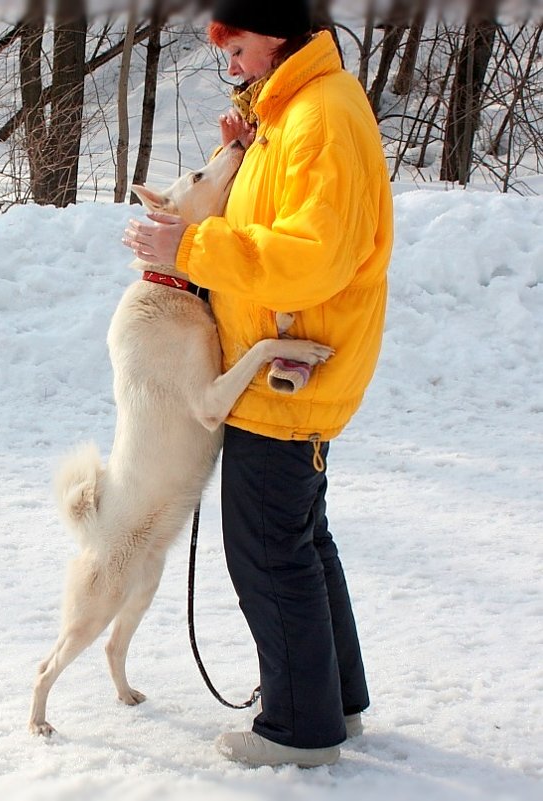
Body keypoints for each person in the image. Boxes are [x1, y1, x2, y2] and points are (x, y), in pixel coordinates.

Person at [122, 0, 393, 769]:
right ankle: (333, 699)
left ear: (273, 36)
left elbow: (311, 255)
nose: (230, 64)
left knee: (268, 552)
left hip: (290, 369)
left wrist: (192, 242)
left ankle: (299, 729)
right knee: (302, 540)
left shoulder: (320, 118)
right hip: (287, 363)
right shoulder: (300, 110)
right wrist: (246, 147)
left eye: (234, 47)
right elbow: (279, 218)